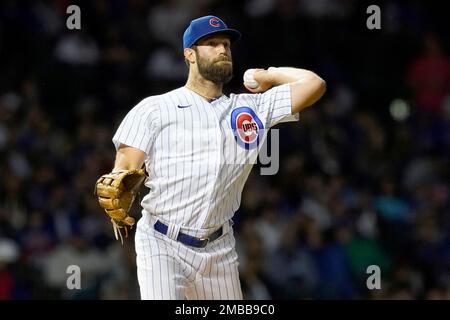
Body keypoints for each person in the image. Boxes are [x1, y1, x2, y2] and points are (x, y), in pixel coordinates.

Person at [95, 15, 326, 300]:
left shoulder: (251, 108)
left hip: (220, 247)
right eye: (212, 43)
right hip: (162, 242)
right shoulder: (155, 108)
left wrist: (269, 75)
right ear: (189, 54)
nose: (222, 50)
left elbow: (314, 84)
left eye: (226, 44)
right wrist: (122, 179)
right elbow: (125, 167)